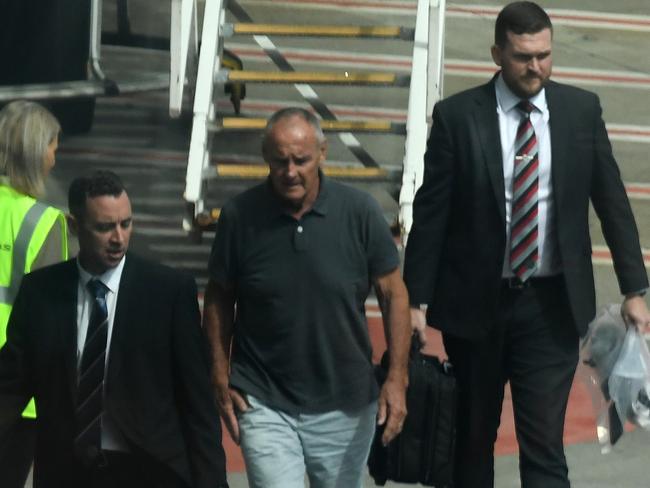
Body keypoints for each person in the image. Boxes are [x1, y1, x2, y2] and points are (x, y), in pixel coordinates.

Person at [403, 2, 650, 488]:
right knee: (472, 441)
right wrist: (414, 301)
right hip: (476, 306)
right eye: (522, 56)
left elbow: (612, 203)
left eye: (544, 55)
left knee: (544, 446)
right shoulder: (457, 117)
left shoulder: (581, 111)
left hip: (551, 308)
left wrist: (635, 289)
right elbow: (432, 214)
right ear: (497, 53)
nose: (535, 66)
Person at [203, 107, 411, 488]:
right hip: (262, 398)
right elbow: (219, 298)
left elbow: (393, 293)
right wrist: (219, 374)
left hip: (346, 404)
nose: (291, 171)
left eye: (301, 159)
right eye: (280, 160)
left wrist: (397, 377)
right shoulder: (239, 217)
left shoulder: (360, 213)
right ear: (266, 157)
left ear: (323, 152)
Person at [0, 170, 229, 488]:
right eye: (105, 227)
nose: (119, 237)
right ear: (74, 225)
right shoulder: (42, 292)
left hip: (148, 471)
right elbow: (10, 387)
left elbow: (196, 402)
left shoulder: (168, 292)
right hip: (67, 471)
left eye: (126, 223)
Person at [0, 100, 68, 488]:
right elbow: (51, 319)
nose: (55, 159)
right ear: (35, 151)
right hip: (15, 389)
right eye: (53, 147)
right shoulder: (44, 222)